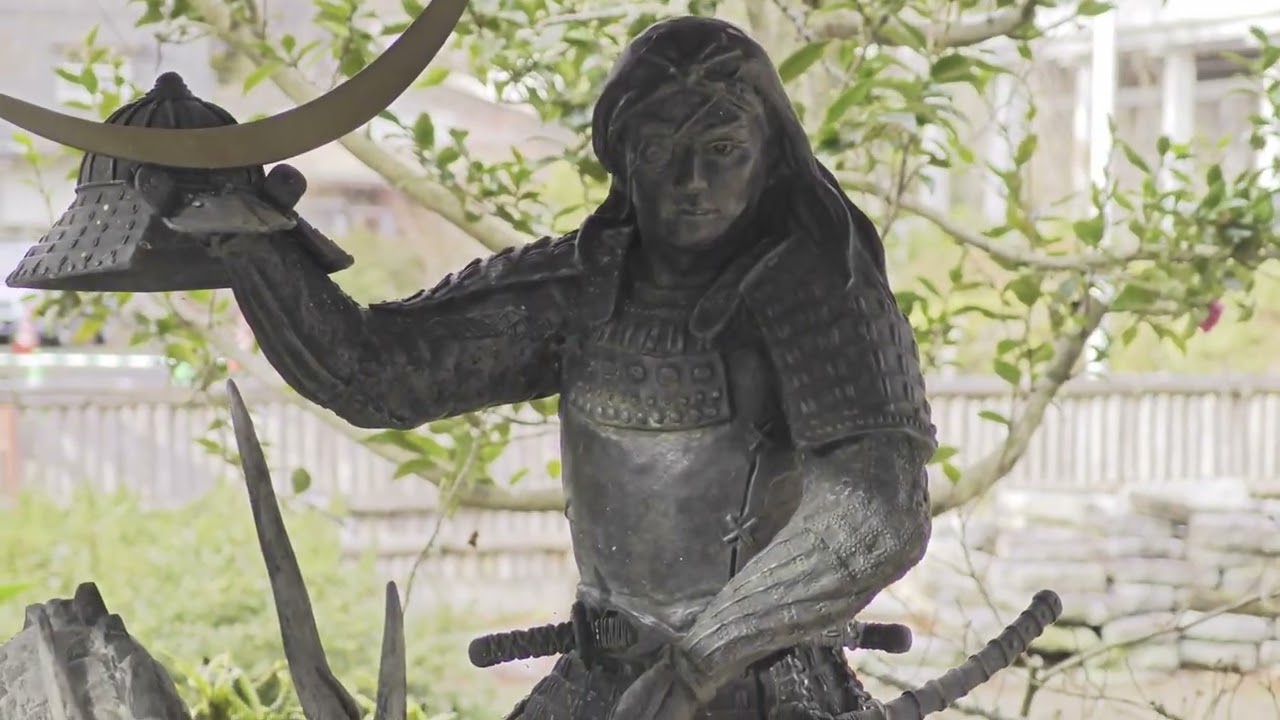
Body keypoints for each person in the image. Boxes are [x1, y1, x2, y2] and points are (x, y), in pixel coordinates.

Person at [214, 15, 936, 720]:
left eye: (722, 148)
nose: (691, 180)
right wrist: (249, 239)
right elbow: (373, 374)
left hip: (768, 691)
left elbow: (878, 509)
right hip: (596, 684)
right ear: (620, 156)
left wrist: (701, 662)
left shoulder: (825, 298)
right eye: (658, 150)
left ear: (769, 152)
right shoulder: (579, 285)